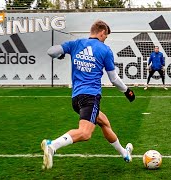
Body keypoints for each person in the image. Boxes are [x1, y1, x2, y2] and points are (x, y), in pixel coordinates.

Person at [42, 20, 135, 169]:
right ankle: (52, 146)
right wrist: (127, 91)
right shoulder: (105, 50)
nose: (105, 39)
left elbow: (51, 51)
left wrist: (58, 56)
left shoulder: (76, 44)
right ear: (102, 32)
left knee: (104, 122)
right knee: (85, 133)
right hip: (90, 97)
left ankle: (124, 153)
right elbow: (114, 79)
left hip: (76, 98)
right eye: (106, 36)